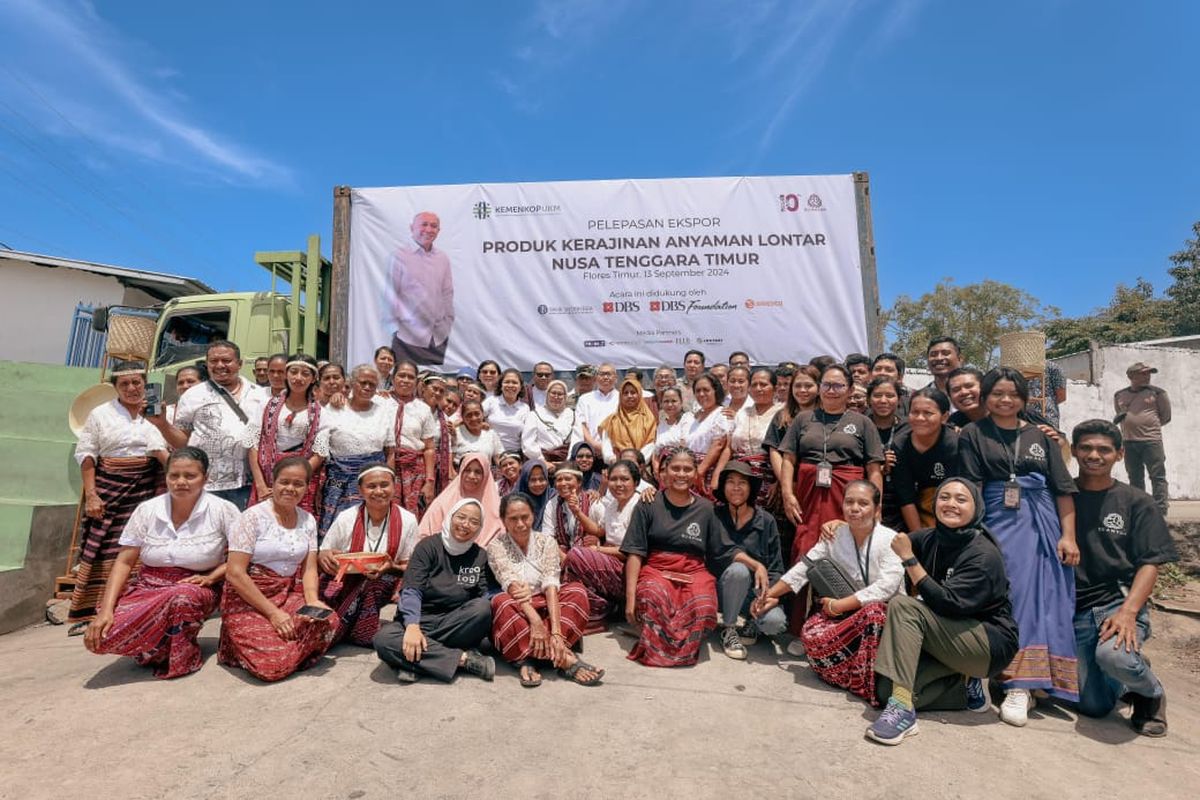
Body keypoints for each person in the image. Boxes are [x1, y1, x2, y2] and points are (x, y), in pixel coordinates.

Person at [958, 367, 1080, 725]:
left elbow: (1063, 488)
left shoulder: (1041, 437)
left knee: (1046, 597)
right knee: (1010, 595)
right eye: (997, 393)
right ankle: (1006, 675)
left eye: (1013, 394)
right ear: (986, 396)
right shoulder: (972, 434)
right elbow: (971, 487)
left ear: (1024, 399)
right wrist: (974, 534)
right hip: (997, 521)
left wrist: (1068, 535)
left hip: (1042, 522)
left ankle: (1030, 683)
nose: (1005, 400)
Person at [865, 478, 1019, 745]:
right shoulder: (933, 537)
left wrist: (910, 560)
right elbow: (891, 539)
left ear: (976, 507)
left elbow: (948, 603)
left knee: (904, 607)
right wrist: (844, 526)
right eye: (944, 497)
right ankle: (963, 687)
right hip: (950, 634)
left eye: (961, 499)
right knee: (884, 689)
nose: (951, 504)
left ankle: (902, 711)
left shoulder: (983, 554)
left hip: (988, 643)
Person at [83, 447, 236, 677]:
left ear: (206, 478)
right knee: (103, 637)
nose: (181, 482)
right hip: (149, 586)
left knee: (183, 596)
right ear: (166, 477)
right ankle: (157, 648)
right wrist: (105, 611)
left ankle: (183, 656)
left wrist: (212, 577)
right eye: (174, 476)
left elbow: (241, 556)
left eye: (190, 476)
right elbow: (124, 562)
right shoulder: (147, 509)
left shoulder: (223, 509)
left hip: (198, 586)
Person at [1070, 419, 1176, 736]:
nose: (1094, 455)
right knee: (1094, 706)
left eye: (1104, 449)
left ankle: (1150, 694)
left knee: (1113, 657)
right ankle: (1125, 671)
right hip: (1073, 610)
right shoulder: (1064, 497)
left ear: (1119, 454)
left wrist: (1128, 612)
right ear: (1074, 451)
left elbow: (1151, 562)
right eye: (1086, 447)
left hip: (1115, 604)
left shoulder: (1136, 502)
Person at [755, 481, 904, 700]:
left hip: (883, 617)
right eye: (849, 502)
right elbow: (805, 568)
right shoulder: (836, 535)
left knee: (873, 613)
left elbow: (886, 587)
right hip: (847, 616)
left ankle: (864, 679)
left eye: (863, 503)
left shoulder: (890, 539)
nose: (854, 508)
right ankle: (849, 669)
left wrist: (840, 605)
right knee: (810, 634)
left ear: (877, 509)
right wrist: (769, 595)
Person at [621, 447, 750, 668]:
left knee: (704, 606)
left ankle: (663, 634)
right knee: (652, 595)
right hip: (657, 569)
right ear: (664, 472)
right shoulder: (648, 502)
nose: (681, 474)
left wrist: (755, 564)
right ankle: (655, 638)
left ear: (695, 473)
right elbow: (635, 552)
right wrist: (630, 600)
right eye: (676, 468)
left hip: (693, 571)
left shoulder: (706, 508)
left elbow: (722, 548)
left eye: (688, 469)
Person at [69, 361, 169, 633]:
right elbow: (87, 455)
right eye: (124, 384)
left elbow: (162, 452)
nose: (132, 388)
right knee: (103, 546)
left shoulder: (155, 414)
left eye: (137, 382)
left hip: (145, 489)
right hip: (109, 489)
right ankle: (92, 611)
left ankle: (132, 605)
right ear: (115, 388)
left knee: (140, 546)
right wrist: (92, 495)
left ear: (144, 383)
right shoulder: (100, 415)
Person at [219, 457, 335, 682]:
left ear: (307, 487)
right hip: (249, 599)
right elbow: (235, 573)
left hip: (287, 594)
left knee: (328, 620)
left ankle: (276, 642)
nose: (290, 489)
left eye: (298, 484)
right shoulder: (252, 517)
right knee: (272, 667)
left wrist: (312, 601)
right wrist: (273, 614)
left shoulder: (308, 520)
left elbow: (309, 569)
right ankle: (244, 645)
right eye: (284, 482)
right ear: (273, 483)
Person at [779, 364, 885, 586]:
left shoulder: (862, 422)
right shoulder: (804, 419)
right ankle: (802, 615)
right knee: (805, 546)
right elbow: (788, 460)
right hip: (808, 495)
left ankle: (841, 612)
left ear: (849, 390)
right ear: (819, 388)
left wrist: (877, 507)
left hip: (847, 496)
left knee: (843, 548)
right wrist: (787, 494)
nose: (831, 390)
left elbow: (874, 470)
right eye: (826, 384)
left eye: (838, 385)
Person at [373, 498, 497, 683]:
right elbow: (411, 590)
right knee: (383, 640)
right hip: (420, 619)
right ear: (450, 517)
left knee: (482, 609)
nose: (465, 525)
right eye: (461, 517)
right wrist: (413, 627)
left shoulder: (479, 556)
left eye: (474, 521)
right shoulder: (428, 546)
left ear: (480, 527)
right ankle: (464, 660)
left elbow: (485, 594)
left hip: (455, 623)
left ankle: (415, 660)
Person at [487, 494, 604, 687]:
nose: (520, 524)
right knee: (500, 603)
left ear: (534, 516)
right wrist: (536, 622)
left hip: (547, 600)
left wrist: (556, 632)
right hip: (519, 606)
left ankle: (528, 658)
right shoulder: (496, 545)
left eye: (525, 517)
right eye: (513, 519)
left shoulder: (546, 542)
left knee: (576, 591)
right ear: (503, 520)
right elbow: (512, 585)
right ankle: (564, 659)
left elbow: (551, 584)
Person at [150, 340, 270, 510]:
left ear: (240, 364)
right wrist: (162, 424)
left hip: (250, 484)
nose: (220, 365)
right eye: (214, 361)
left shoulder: (261, 394)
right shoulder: (192, 396)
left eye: (226, 361)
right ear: (207, 365)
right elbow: (182, 442)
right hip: (207, 484)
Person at [318, 464, 419, 647]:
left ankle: (358, 630)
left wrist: (391, 568)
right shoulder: (346, 517)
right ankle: (348, 624)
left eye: (384, 485)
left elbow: (409, 567)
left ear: (394, 486)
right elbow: (325, 552)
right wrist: (326, 557)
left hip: (380, 583)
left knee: (372, 585)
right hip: (343, 581)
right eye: (371, 486)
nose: (379, 491)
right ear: (360, 490)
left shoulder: (407, 520)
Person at [711, 462, 785, 661]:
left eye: (742, 482)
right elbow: (722, 550)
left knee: (775, 623)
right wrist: (755, 564)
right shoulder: (714, 515)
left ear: (750, 488)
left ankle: (753, 621)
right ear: (723, 487)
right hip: (722, 589)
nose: (736, 487)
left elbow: (776, 566)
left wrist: (769, 596)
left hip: (754, 592)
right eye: (731, 482)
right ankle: (729, 629)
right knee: (739, 570)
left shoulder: (766, 520)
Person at [313, 365, 395, 537]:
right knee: (340, 530)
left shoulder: (383, 410)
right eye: (362, 382)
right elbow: (320, 449)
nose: (367, 387)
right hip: (339, 480)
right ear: (351, 383)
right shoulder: (334, 408)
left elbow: (390, 451)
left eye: (372, 384)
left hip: (374, 482)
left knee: (371, 529)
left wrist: (389, 481)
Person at [564, 459, 639, 630]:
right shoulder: (613, 504)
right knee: (575, 558)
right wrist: (577, 512)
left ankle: (598, 613)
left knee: (577, 555)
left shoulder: (638, 505)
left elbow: (633, 551)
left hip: (629, 568)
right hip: (612, 561)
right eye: (613, 479)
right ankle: (590, 608)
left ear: (635, 482)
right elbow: (599, 531)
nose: (618, 484)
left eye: (624, 479)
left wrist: (597, 549)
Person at [247, 354, 323, 513]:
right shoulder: (266, 405)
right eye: (293, 372)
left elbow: (319, 453)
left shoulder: (321, 412)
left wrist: (292, 480)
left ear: (314, 378)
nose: (298, 378)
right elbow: (253, 445)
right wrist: (261, 485)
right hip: (266, 477)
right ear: (286, 374)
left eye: (305, 374)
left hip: (300, 477)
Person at [892, 386, 960, 531]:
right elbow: (906, 497)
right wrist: (920, 540)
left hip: (950, 511)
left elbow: (960, 492)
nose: (920, 418)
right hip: (912, 512)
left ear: (944, 417)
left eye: (928, 413)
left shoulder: (955, 444)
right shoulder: (900, 444)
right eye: (915, 412)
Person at [390, 211, 454, 364]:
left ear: (438, 231)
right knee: (405, 384)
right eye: (424, 224)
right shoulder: (399, 256)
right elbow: (392, 294)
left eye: (434, 226)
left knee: (434, 385)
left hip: (437, 338)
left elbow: (447, 293)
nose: (429, 229)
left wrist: (447, 323)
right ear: (412, 228)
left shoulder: (442, 258)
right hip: (407, 338)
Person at [378, 360, 437, 515]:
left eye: (410, 377)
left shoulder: (423, 409)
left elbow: (429, 448)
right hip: (382, 465)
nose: (405, 380)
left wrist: (430, 482)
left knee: (410, 516)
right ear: (392, 378)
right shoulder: (379, 401)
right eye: (401, 375)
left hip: (413, 471)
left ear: (417, 382)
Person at [1114, 362, 1171, 515]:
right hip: (1129, 441)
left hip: (1151, 440)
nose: (1147, 377)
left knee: (1157, 475)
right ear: (1131, 376)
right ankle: (1140, 507)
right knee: (1135, 476)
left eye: (1149, 373)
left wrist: (1148, 427)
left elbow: (1165, 417)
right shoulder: (1119, 395)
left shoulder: (1158, 393)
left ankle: (1160, 509)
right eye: (1143, 374)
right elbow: (1121, 415)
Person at [720, 367, 782, 507]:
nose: (758, 388)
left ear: (775, 388)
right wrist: (720, 475)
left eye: (763, 384)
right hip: (740, 477)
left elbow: (789, 453)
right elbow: (729, 448)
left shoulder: (782, 413)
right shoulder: (742, 413)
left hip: (770, 480)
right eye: (754, 385)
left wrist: (780, 481)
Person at [417, 452, 504, 546]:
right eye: (467, 470)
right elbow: (424, 534)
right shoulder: (444, 502)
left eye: (478, 472)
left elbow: (501, 538)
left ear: (486, 475)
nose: (471, 476)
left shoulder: (495, 507)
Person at [685, 373, 734, 499]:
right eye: (698, 391)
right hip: (690, 471)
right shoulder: (695, 416)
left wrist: (700, 471)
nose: (701, 394)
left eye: (706, 390)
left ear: (715, 391)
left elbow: (719, 445)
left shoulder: (721, 414)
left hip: (707, 472)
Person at [867, 376, 906, 531]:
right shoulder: (860, 425)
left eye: (890, 396)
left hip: (902, 501)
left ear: (899, 399)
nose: (883, 400)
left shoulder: (909, 427)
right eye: (877, 395)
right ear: (869, 399)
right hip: (869, 499)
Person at [541, 461, 600, 560]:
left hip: (589, 554)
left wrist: (597, 541)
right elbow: (548, 538)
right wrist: (565, 559)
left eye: (568, 479)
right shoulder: (553, 504)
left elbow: (603, 531)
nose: (563, 483)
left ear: (579, 482)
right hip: (561, 554)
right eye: (559, 480)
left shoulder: (592, 501)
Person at [597, 377, 657, 465]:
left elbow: (650, 444)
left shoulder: (648, 419)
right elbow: (607, 444)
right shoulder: (612, 420)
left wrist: (637, 461)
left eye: (633, 392)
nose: (629, 396)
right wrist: (612, 459)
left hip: (640, 466)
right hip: (616, 466)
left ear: (639, 394)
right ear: (621, 396)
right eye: (625, 393)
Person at [521, 379, 577, 466]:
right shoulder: (534, 414)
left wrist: (567, 461)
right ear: (547, 394)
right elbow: (528, 443)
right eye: (553, 393)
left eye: (560, 394)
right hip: (540, 463)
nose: (556, 397)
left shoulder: (572, 415)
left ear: (565, 396)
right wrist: (543, 461)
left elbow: (577, 440)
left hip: (566, 464)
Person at [420, 372, 455, 496]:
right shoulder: (411, 409)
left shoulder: (443, 417)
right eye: (434, 389)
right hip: (415, 465)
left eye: (442, 391)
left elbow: (448, 447)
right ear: (423, 387)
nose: (438, 393)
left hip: (437, 468)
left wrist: (450, 473)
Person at [483, 368, 530, 454]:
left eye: (515, 382)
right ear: (501, 385)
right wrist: (481, 424)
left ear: (520, 387)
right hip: (490, 452)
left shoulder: (525, 408)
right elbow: (474, 417)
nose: (510, 385)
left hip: (514, 454)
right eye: (507, 382)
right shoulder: (491, 401)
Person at [575, 363, 620, 453]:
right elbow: (581, 425)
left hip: (616, 450)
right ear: (596, 378)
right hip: (591, 452)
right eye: (602, 374)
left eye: (609, 374)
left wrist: (611, 448)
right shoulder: (585, 399)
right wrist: (594, 445)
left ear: (616, 378)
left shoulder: (622, 398)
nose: (605, 377)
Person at [652, 386, 693, 478]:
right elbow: (656, 451)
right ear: (661, 404)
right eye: (666, 401)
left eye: (674, 401)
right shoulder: (661, 424)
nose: (670, 405)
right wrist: (656, 468)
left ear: (681, 402)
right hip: (663, 473)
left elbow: (684, 444)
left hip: (681, 470)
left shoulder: (687, 418)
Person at [454, 400, 503, 467]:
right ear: (463, 417)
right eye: (469, 415)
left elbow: (498, 457)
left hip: (486, 475)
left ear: (482, 414)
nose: (473, 418)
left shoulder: (491, 434)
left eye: (477, 414)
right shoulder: (455, 433)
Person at [1027, 360, 1067, 428]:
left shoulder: (1053, 367)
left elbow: (1061, 396)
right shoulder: (1014, 370)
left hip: (1047, 420)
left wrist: (1043, 402)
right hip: (1022, 422)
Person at [516, 458, 553, 528]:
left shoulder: (554, 497)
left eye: (541, 479)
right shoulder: (513, 502)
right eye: (533, 480)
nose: (538, 484)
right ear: (525, 481)